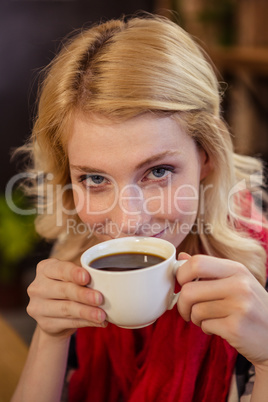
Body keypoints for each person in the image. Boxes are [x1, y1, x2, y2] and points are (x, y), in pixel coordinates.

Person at [11, 13, 268, 402]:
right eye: (94, 179)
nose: (128, 221)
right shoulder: (79, 257)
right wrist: (50, 336)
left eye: (158, 171)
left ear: (207, 157)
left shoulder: (258, 279)